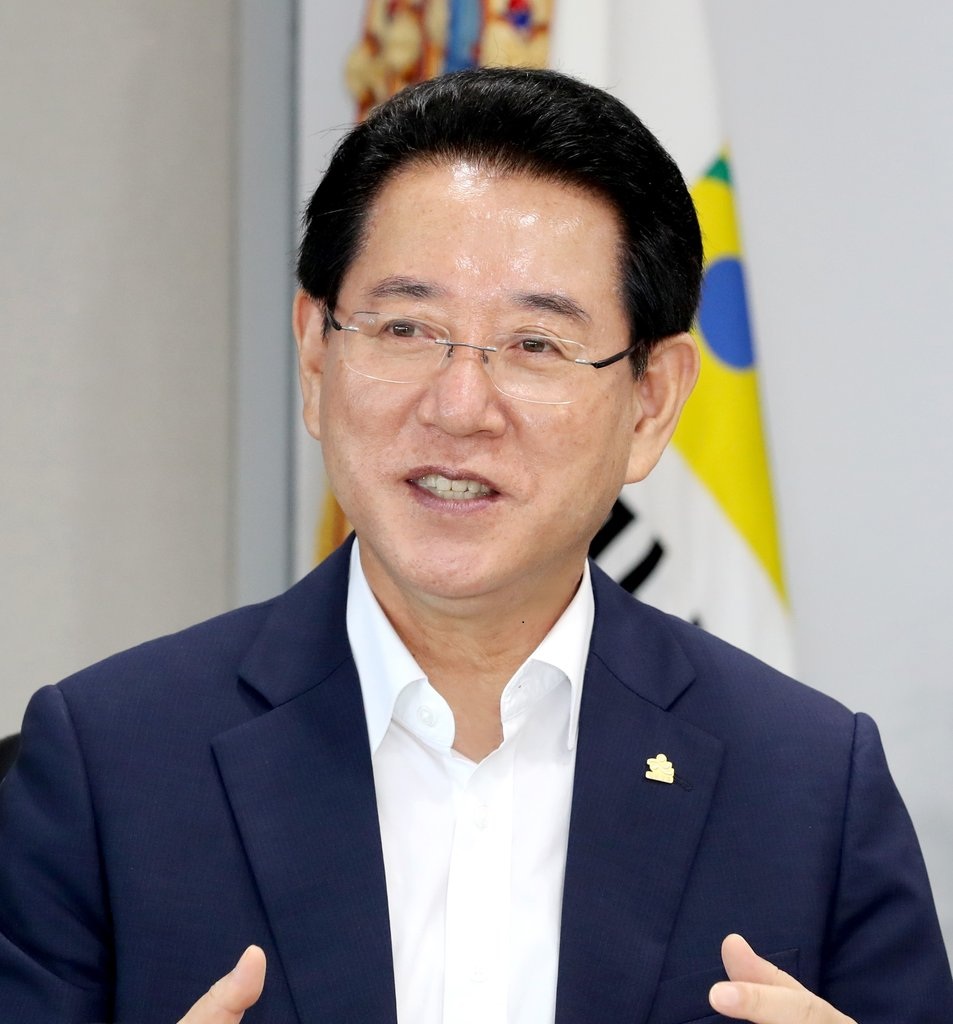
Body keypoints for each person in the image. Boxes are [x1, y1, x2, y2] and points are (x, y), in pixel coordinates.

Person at [0, 67, 950, 1024]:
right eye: (405, 327)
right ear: (317, 356)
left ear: (650, 402)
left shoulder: (807, 786)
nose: (459, 407)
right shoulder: (108, 767)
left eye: (535, 345)